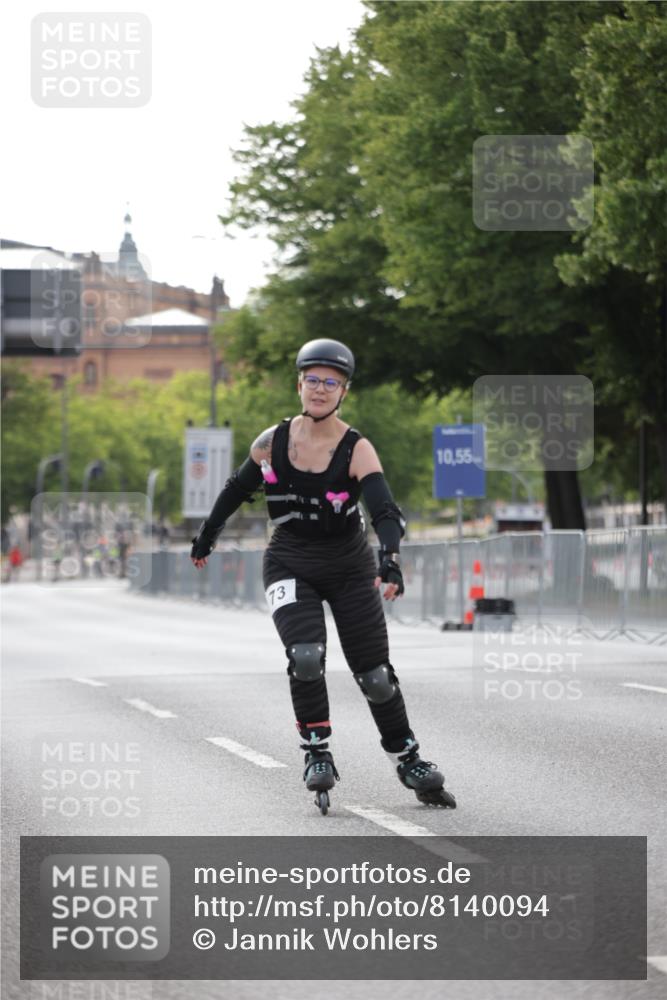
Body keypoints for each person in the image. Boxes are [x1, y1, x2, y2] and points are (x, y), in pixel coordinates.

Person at [191, 338, 455, 813]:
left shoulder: (356, 448)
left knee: (374, 675)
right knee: (306, 655)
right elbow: (236, 488)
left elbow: (385, 510)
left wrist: (390, 558)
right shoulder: (270, 443)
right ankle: (316, 752)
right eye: (312, 379)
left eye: (330, 382)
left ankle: (408, 758)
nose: (319, 388)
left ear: (343, 392)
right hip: (288, 562)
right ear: (299, 384)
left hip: (350, 568)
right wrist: (207, 533)